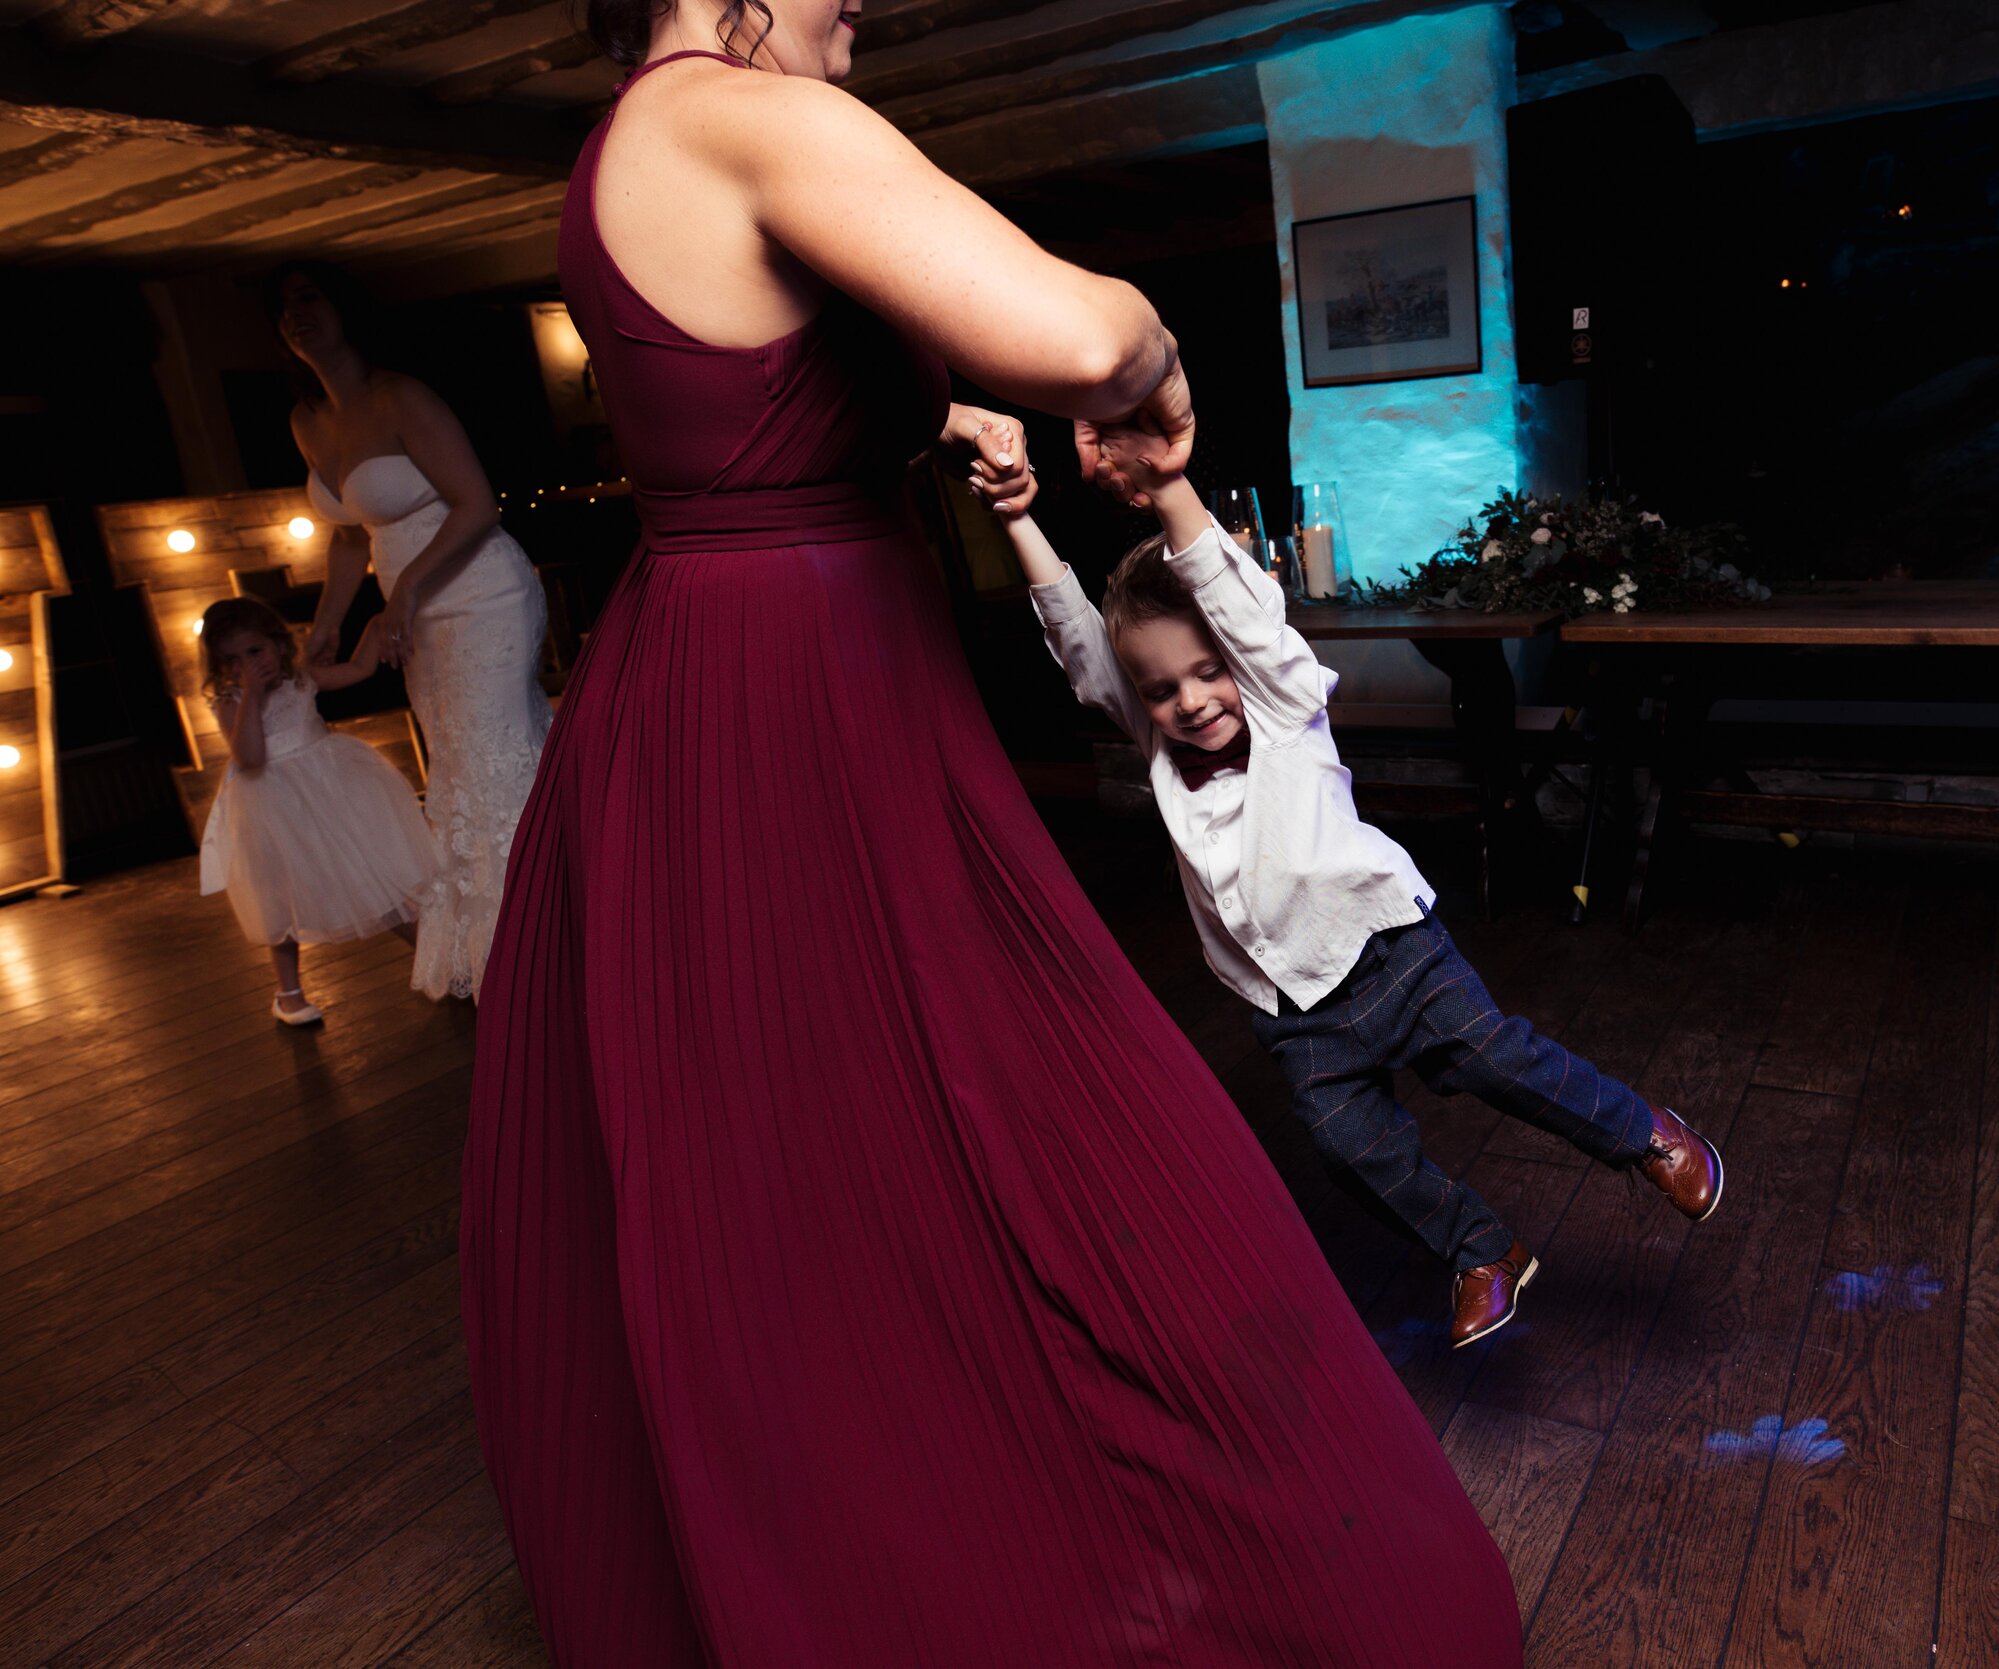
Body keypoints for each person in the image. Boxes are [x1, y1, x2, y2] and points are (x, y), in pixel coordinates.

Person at [460, 2, 1524, 1664]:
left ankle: (910, 1521)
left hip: (724, 681)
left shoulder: (634, 142)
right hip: (792, 704)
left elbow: (735, 401)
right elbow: (1085, 338)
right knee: (1004, 1106)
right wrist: (1155, 358)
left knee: (818, 1158)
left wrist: (918, 418)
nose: (859, 6)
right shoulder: (734, 114)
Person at [1001, 429, 1727, 1346]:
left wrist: (1172, 487)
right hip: (1292, 1008)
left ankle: (1647, 1133)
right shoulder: (1158, 746)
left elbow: (1242, 610)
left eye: (1207, 669)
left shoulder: (1279, 702)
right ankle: (1481, 1250)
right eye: (1161, 687)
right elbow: (1078, 642)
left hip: (1391, 954)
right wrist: (1018, 516)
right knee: (1351, 1146)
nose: (1189, 700)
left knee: (1500, 1061)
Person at [275, 261, 554, 1002]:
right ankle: (500, 945)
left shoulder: (401, 396)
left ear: (345, 308)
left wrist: (401, 599)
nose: (294, 314)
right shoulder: (308, 420)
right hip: (414, 610)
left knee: (494, 754)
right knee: (457, 766)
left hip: (480, 594)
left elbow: (476, 505)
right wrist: (328, 623)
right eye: (283, 306)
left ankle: (553, 930)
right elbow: (344, 537)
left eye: (309, 296)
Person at [196, 598, 433, 1025]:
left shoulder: (301, 680)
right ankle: (289, 995)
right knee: (279, 897)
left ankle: (433, 960)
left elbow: (359, 669)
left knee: (373, 874)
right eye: (231, 660)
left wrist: (378, 622)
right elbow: (250, 757)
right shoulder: (231, 701)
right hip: (272, 805)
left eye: (255, 652)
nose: (247, 666)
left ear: (279, 646)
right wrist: (251, 694)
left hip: (330, 788)